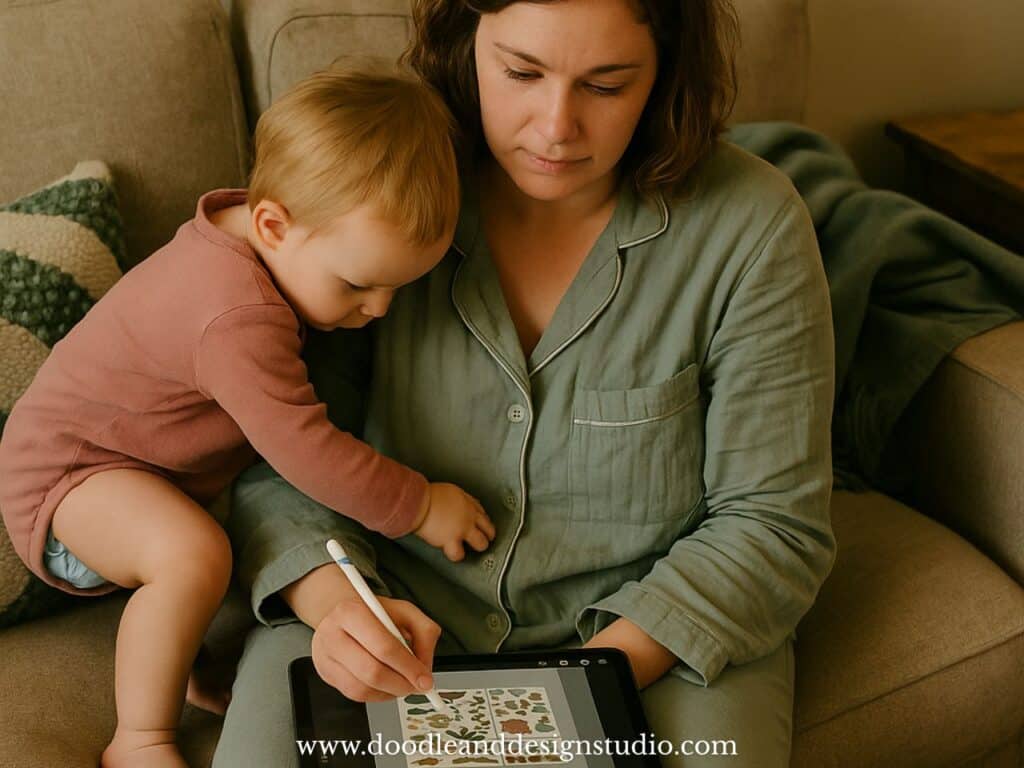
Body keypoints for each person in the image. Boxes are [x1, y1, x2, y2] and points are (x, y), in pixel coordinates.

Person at [213, 0, 836, 765]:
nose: (554, 127)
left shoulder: (753, 227)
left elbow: (773, 522)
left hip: (651, 634)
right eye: (519, 72)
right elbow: (276, 456)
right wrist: (338, 604)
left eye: (606, 86)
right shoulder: (371, 186)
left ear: (665, 74)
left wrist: (589, 682)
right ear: (465, 45)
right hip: (387, 605)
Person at [0, 61, 497, 768]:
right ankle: (138, 738)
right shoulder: (237, 314)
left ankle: (183, 658)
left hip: (134, 462)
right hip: (69, 477)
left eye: (396, 289)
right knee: (193, 554)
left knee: (206, 543)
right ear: (273, 222)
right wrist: (418, 505)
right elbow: (307, 451)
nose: (379, 310)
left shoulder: (254, 230)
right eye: (359, 284)